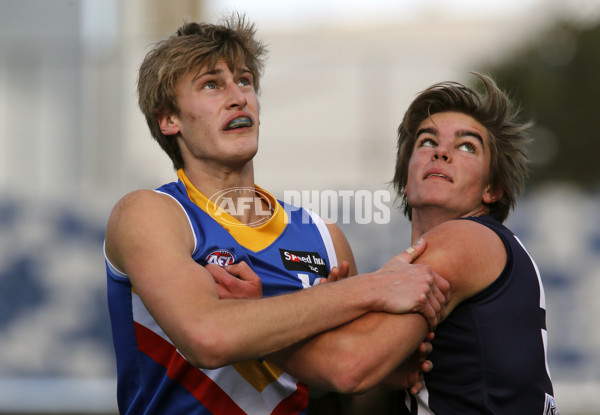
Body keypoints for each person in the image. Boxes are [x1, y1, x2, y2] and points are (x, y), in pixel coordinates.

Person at [103, 14, 449, 415]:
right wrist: (368, 289)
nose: (238, 97)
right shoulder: (150, 213)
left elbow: (348, 393)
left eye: (245, 81)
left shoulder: (324, 237)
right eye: (211, 85)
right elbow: (208, 336)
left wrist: (393, 371)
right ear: (169, 119)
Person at [386, 73, 557, 414]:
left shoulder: (468, 236)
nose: (442, 152)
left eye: (467, 146)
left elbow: (346, 367)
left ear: (491, 190)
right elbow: (357, 390)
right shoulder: (480, 247)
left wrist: (338, 300)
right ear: (405, 179)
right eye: (427, 142)